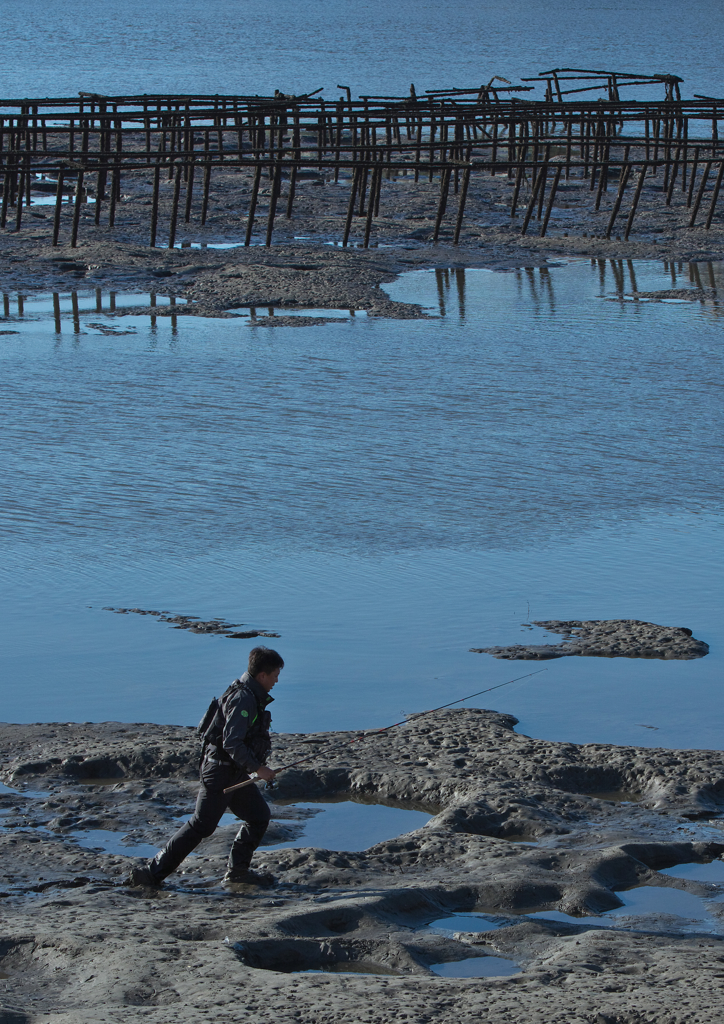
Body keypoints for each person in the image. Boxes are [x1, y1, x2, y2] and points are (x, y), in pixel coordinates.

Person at [128, 646, 283, 888]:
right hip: (219, 772)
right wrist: (258, 768)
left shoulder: (250, 696)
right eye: (275, 675)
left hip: (233, 772)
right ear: (262, 675)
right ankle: (150, 874)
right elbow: (232, 742)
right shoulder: (243, 698)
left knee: (259, 816)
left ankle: (238, 872)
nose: (276, 681)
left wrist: (254, 767)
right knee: (201, 825)